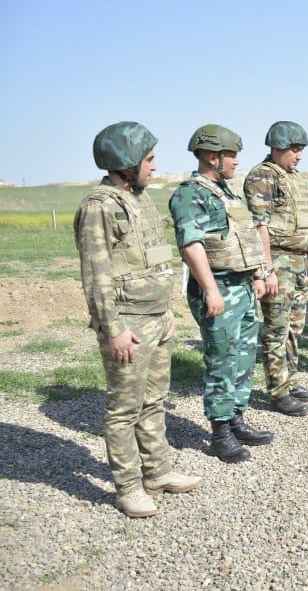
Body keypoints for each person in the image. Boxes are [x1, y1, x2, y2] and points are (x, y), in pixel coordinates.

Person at [75, 121, 201, 518]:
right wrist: (113, 330)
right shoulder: (99, 206)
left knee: (154, 401)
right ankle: (128, 486)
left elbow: (157, 259)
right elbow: (96, 276)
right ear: (126, 163)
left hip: (156, 318)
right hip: (127, 323)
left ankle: (158, 472)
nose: (154, 164)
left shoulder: (142, 200)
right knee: (124, 408)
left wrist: (168, 313)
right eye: (148, 158)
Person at [169, 124, 273, 464]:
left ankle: (236, 418)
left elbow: (247, 237)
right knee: (222, 359)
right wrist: (211, 290)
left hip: (241, 285)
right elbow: (191, 244)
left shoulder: (227, 193)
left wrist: (258, 273)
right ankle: (219, 432)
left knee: (243, 356)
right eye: (233, 156)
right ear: (214, 157)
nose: (236, 162)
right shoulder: (190, 194)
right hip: (218, 288)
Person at [243, 121, 308, 417]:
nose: (299, 156)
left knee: (294, 326)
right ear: (277, 147)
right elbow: (258, 225)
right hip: (278, 259)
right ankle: (278, 391)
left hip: (300, 260)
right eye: (294, 150)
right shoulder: (262, 176)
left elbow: (300, 217)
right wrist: (266, 269)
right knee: (276, 328)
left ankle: (291, 380)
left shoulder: (295, 177)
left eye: (301, 150)